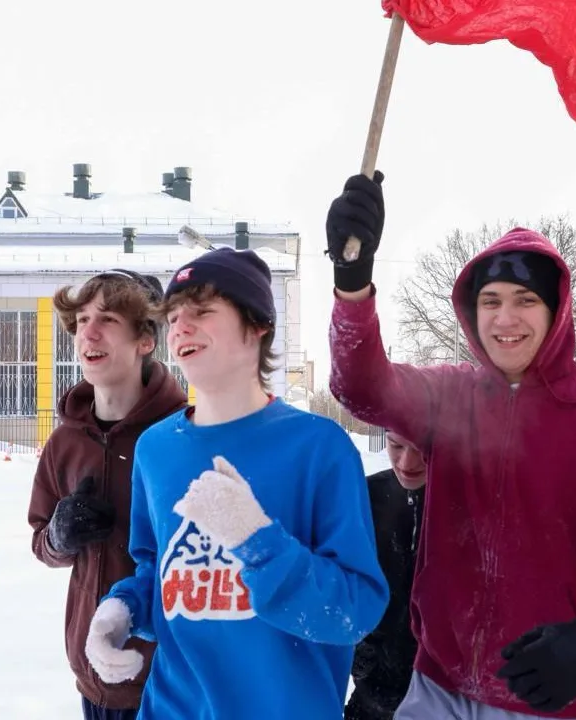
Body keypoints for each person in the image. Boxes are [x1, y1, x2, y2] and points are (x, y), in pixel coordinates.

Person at [326, 171, 576, 720]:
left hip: (554, 697)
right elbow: (360, 386)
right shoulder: (450, 397)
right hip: (439, 687)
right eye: (490, 300)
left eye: (525, 300)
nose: (505, 318)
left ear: (555, 311)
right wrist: (352, 282)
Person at [83, 247, 388, 719]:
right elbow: (161, 572)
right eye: (174, 317)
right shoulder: (155, 450)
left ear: (258, 324)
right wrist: (121, 610)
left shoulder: (319, 448)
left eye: (202, 311)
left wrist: (257, 540)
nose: (180, 327)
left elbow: (354, 610)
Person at [28, 269, 186, 720]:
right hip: (92, 675)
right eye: (82, 320)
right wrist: (59, 536)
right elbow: (41, 540)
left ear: (145, 340)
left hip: (167, 678)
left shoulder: (182, 435)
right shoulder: (65, 442)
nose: (89, 334)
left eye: (108, 320)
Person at [347, 429, 429, 720]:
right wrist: (359, 651)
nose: (407, 462)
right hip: (372, 696)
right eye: (395, 445)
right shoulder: (363, 496)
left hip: (443, 699)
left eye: (422, 448)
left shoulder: (472, 506)